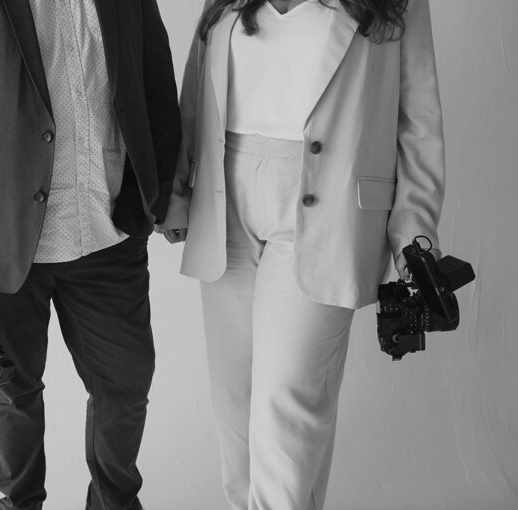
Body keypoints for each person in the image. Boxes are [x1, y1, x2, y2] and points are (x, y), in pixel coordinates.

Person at [0, 1, 181, 509]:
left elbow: (153, 74)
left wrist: (167, 190)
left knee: (126, 386)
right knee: (13, 393)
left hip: (108, 229)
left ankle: (114, 503)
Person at [158, 0, 444, 508]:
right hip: (225, 203)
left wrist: (415, 240)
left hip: (329, 212)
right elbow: (197, 85)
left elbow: (417, 119)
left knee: (286, 411)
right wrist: (180, 191)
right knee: (236, 415)